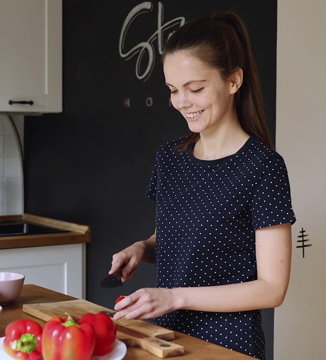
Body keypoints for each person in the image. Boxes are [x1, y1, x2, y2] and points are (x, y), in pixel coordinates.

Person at [108, 11, 295, 360]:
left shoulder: (264, 167)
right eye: (173, 90)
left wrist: (176, 295)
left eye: (195, 89)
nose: (182, 102)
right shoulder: (170, 157)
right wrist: (142, 248)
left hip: (227, 346)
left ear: (233, 81)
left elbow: (272, 289)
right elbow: (178, 236)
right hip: (165, 338)